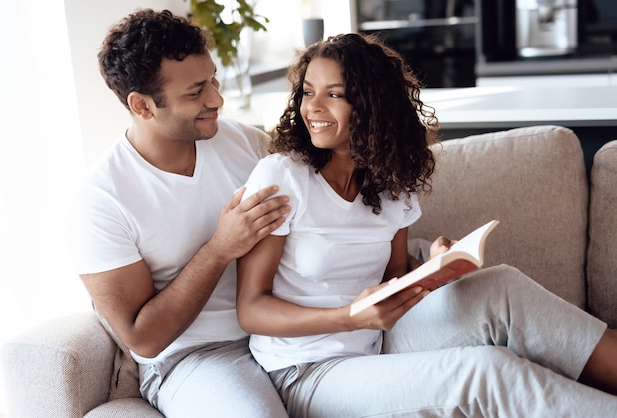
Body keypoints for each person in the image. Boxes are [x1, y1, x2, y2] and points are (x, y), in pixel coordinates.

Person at [236, 32, 617, 417]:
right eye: (307, 92)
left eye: (334, 94)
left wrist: (435, 270)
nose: (312, 107)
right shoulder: (282, 177)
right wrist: (347, 317)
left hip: (379, 340)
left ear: (371, 106)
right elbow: (251, 310)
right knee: (486, 371)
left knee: (500, 287)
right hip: (306, 372)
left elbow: (395, 277)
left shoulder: (390, 185)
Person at [71, 9, 291, 417]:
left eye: (213, 80)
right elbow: (144, 339)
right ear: (142, 105)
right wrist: (220, 249)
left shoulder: (243, 142)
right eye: (195, 92)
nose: (217, 100)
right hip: (197, 356)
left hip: (287, 326)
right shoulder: (102, 201)